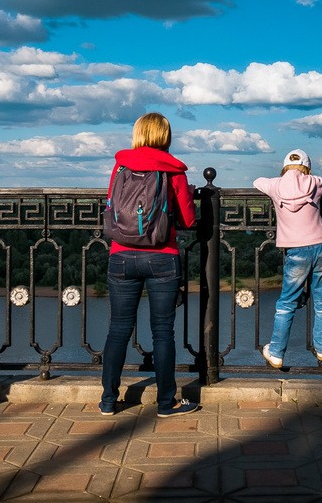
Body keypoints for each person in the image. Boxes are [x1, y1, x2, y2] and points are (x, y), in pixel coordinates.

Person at [100, 112, 199, 417]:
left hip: (121, 256)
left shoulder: (121, 166)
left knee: (118, 330)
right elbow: (188, 220)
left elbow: (112, 207)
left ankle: (107, 401)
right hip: (162, 256)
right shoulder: (174, 172)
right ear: (165, 136)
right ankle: (166, 403)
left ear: (138, 133)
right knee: (162, 332)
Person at [253, 149, 322, 369]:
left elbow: (257, 181)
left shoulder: (274, 186)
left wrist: (278, 181)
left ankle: (277, 352)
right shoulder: (315, 183)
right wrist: (313, 180)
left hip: (296, 251)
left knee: (286, 303)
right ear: (307, 167)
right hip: (321, 247)